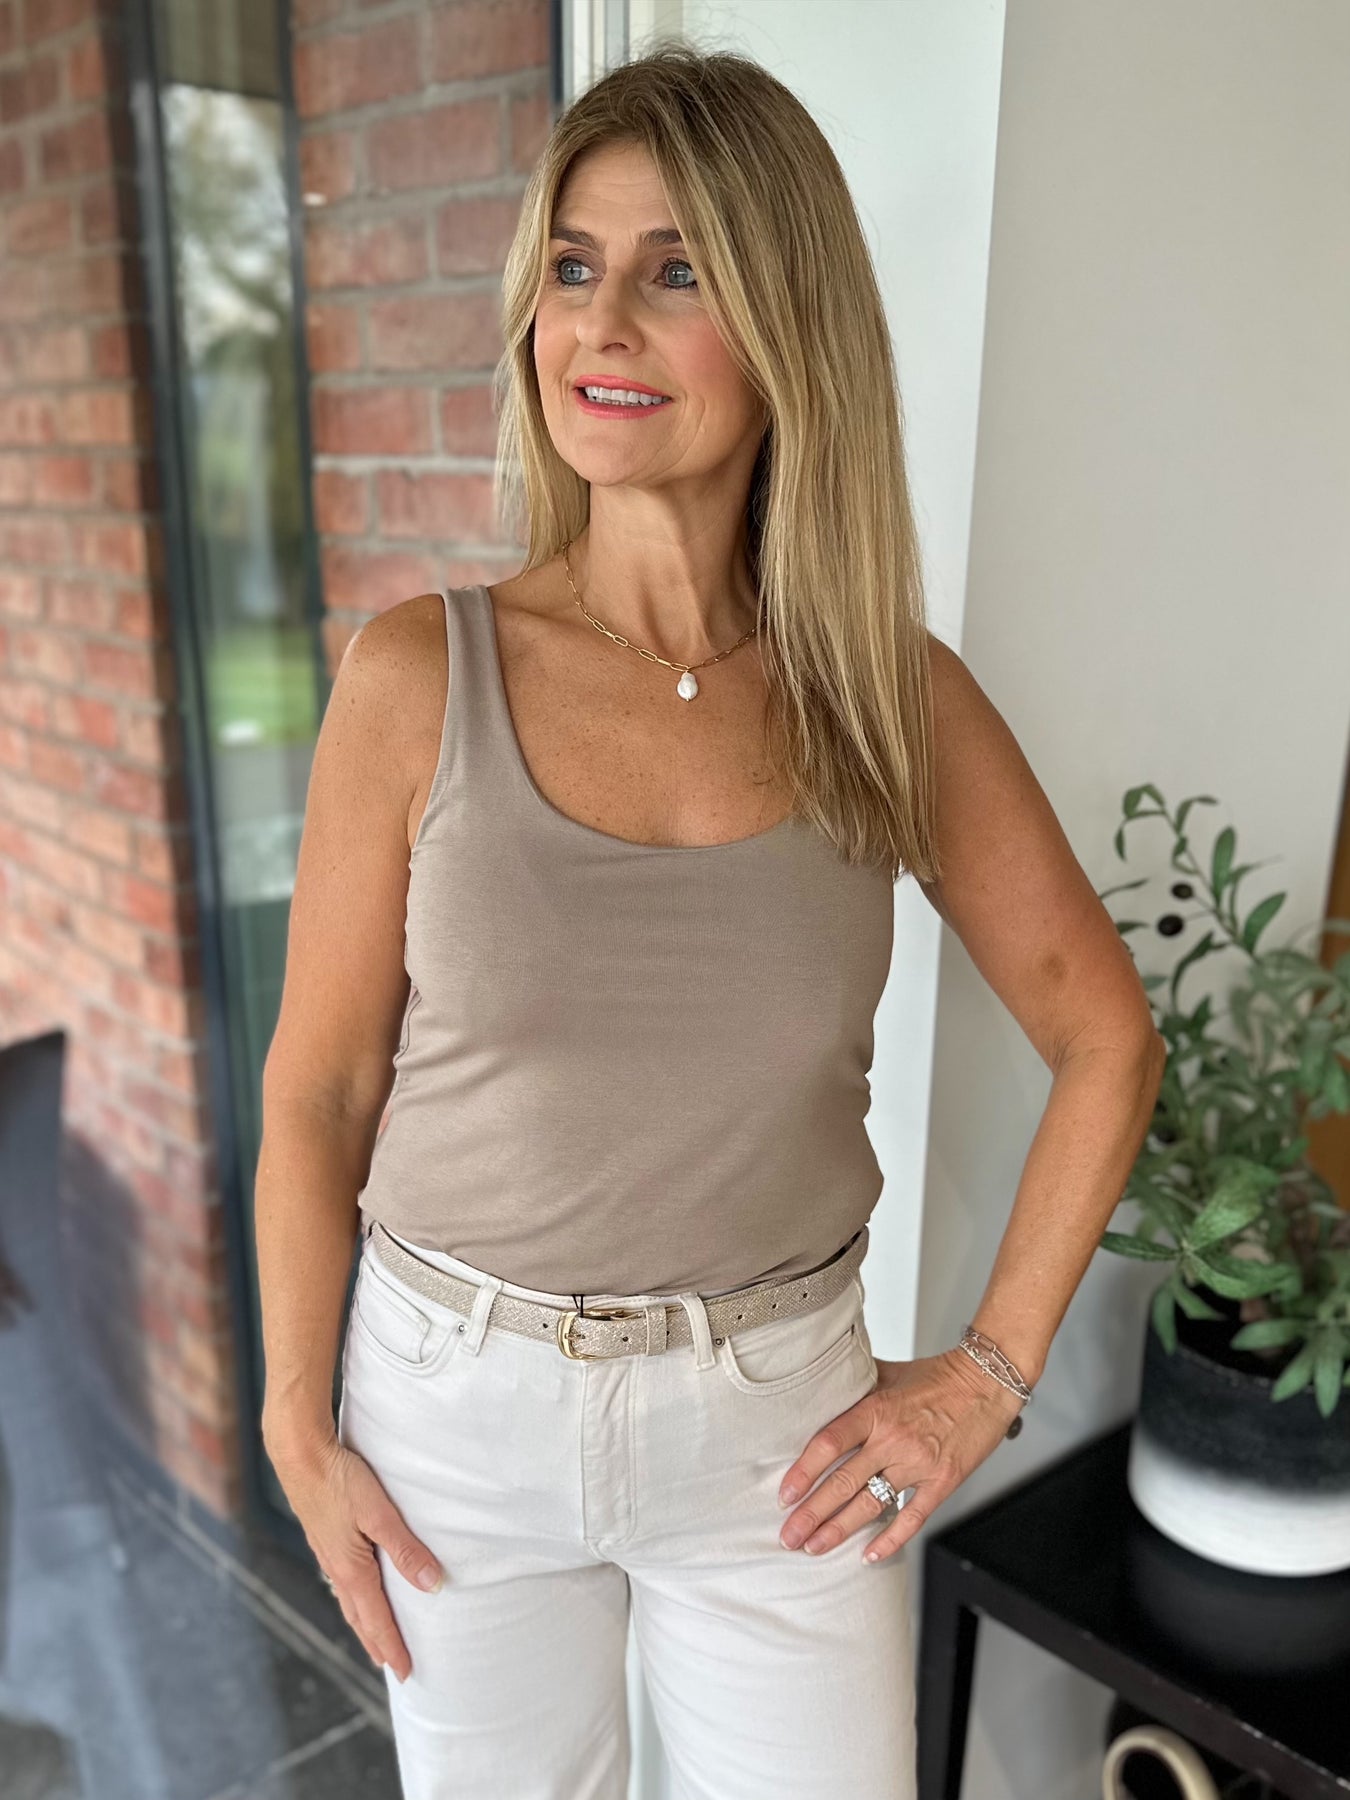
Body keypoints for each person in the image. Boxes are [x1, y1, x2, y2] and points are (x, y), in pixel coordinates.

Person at [256, 41, 1165, 1800]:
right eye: (572, 268)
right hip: (454, 1416)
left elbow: (1101, 1033)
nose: (599, 324)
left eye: (674, 272)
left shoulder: (886, 696)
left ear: (784, 323)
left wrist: (985, 1377)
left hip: (777, 1430)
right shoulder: (415, 678)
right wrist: (299, 1420)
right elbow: (320, 1087)